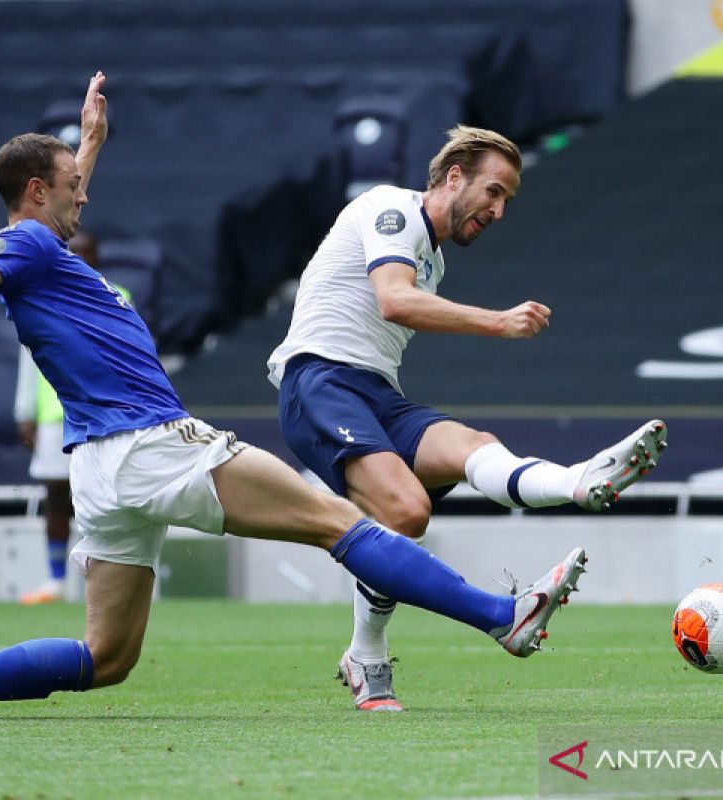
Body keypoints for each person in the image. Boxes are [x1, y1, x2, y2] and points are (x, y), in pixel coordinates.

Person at [0, 72, 588, 721]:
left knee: (106, 657)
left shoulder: (44, 249)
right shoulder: (27, 243)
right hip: (148, 440)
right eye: (70, 186)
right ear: (36, 191)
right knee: (338, 521)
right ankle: (502, 616)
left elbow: (54, 206)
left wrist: (90, 139)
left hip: (98, 467)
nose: (83, 200)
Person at [266, 125, 669, 711]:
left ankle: (573, 483)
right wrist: (499, 322)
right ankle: (500, 613)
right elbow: (393, 300)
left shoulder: (433, 262)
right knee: (406, 509)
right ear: (454, 177)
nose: (499, 210)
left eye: (507, 200)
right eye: (494, 191)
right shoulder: (390, 208)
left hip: (376, 392)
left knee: (464, 452)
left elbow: (404, 300)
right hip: (319, 381)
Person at [13, 229, 102, 605]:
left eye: (86, 252)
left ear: (97, 257)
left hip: (100, 417)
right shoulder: (43, 297)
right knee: (56, 498)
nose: (79, 258)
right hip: (54, 417)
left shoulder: (115, 297)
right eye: (73, 252)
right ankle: (56, 580)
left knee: (100, 500)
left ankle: (98, 581)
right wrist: (24, 412)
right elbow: (29, 359)